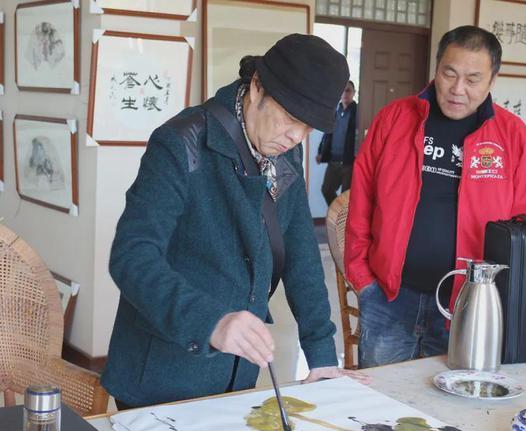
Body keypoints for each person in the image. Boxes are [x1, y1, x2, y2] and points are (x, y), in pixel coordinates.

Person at [101, 34, 368, 409]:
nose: (296, 137)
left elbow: (301, 257)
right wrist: (211, 321)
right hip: (162, 376)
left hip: (236, 378)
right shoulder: (182, 143)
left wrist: (322, 355)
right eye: (291, 119)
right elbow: (132, 257)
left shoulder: (285, 154)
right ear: (257, 86)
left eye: (308, 129)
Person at [344, 25, 526, 368]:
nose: (457, 89)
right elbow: (361, 200)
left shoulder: (514, 138)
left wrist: (498, 297)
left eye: (472, 79)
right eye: (449, 74)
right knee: (378, 404)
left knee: (452, 410)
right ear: (436, 69)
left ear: (492, 80)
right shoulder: (395, 119)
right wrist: (364, 280)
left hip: (468, 305)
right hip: (390, 296)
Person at [317, 81, 358, 205]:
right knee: (326, 190)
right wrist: (320, 152)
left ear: (354, 93)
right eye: (343, 90)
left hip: (348, 163)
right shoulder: (335, 112)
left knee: (346, 197)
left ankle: (342, 221)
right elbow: (326, 135)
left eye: (348, 90)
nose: (345, 93)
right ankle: (338, 215)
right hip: (333, 161)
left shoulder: (358, 112)